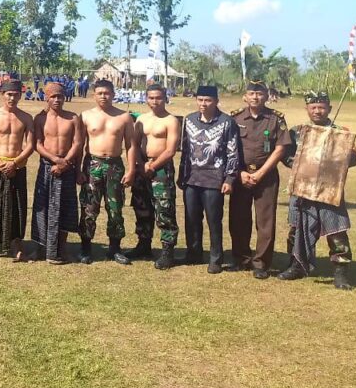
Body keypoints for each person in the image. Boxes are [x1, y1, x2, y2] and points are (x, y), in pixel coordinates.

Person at [278, 91, 356, 289]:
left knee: (337, 232)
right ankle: (296, 265)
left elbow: (355, 158)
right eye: (313, 107)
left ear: (329, 109)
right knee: (297, 229)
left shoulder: (341, 131)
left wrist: (340, 152)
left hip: (329, 191)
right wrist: (303, 164)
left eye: (321, 107)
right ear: (307, 109)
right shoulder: (297, 131)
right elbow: (286, 156)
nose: (317, 111)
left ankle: (341, 274)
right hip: (302, 189)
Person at [228, 81, 290, 279]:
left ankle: (261, 263)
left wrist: (261, 173)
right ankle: (241, 259)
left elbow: (280, 148)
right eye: (251, 93)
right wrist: (240, 173)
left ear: (267, 96)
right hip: (240, 176)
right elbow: (228, 147)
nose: (255, 97)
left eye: (260, 94)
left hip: (266, 177)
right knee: (238, 219)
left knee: (265, 221)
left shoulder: (276, 119)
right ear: (245, 96)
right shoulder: (234, 118)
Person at [178, 85, 240, 273]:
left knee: (214, 220)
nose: (203, 104)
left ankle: (216, 258)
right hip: (192, 178)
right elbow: (185, 150)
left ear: (216, 101)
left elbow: (233, 152)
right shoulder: (189, 120)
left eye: (208, 100)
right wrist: (182, 175)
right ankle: (194, 253)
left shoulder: (227, 122)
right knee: (191, 218)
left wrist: (229, 179)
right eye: (200, 100)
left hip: (214, 179)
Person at [77, 80, 137, 265]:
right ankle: (86, 247)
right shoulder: (86, 116)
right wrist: (79, 170)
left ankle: (115, 248)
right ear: (94, 94)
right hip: (92, 164)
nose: (104, 96)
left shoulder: (124, 117)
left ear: (113, 94)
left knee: (115, 208)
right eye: (100, 93)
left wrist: (132, 170)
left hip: (114, 166)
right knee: (89, 207)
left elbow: (130, 145)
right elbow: (79, 145)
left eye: (107, 93)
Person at [0, 80, 36, 261]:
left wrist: (15, 162)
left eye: (15, 94)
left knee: (17, 207)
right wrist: (1, 163)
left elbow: (30, 145)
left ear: (20, 95)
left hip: (18, 167)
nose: (12, 98)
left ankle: (17, 247)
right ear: (2, 94)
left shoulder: (26, 118)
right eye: (8, 94)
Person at [128, 84, 181, 270]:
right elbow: (134, 143)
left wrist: (153, 166)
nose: (154, 101)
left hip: (161, 169)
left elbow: (171, 150)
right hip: (142, 166)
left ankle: (167, 251)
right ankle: (144, 244)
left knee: (164, 208)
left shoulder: (171, 120)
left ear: (165, 97)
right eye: (151, 98)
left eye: (158, 97)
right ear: (146, 98)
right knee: (142, 206)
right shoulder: (141, 119)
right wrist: (139, 165)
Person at [31, 82, 83, 265]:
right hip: (47, 167)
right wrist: (55, 160)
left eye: (60, 96)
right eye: (53, 96)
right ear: (46, 97)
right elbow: (37, 144)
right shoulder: (39, 119)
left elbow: (77, 143)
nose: (57, 100)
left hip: (67, 167)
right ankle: (40, 247)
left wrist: (66, 162)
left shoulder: (73, 118)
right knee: (42, 207)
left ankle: (61, 248)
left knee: (65, 209)